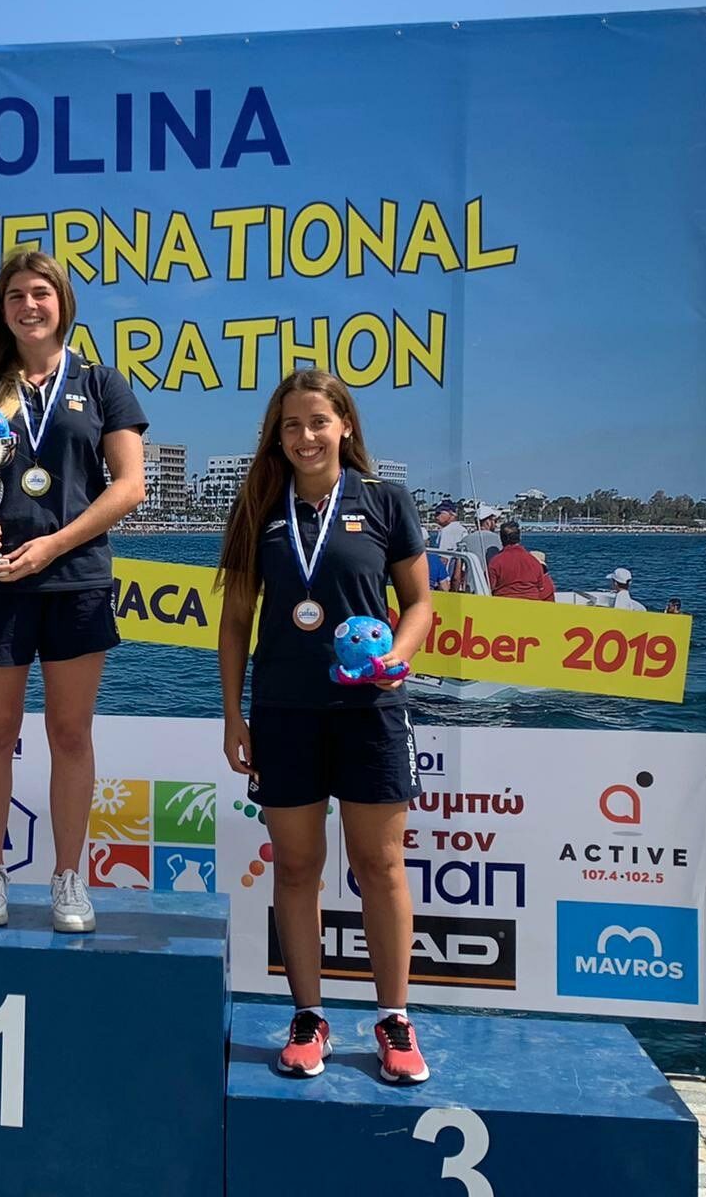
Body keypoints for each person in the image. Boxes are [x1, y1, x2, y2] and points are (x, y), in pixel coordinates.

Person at [217, 368, 433, 1085]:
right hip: (284, 713)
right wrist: (233, 714)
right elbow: (236, 622)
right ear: (276, 437)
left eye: (317, 421)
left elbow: (420, 604)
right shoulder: (258, 506)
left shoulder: (385, 500)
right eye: (291, 425)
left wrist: (397, 658)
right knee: (297, 867)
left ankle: (394, 1020)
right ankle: (308, 1017)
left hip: (371, 711)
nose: (305, 436)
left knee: (381, 866)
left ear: (345, 425)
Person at [0, 250, 147, 933]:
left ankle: (68, 877)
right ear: (1, 310)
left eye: (41, 293)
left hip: (76, 580)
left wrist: (54, 544)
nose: (29, 305)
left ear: (62, 303)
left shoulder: (102, 383)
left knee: (70, 733)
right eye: (15, 295)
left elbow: (130, 486)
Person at [487, 520, 554, 600]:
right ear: (519, 538)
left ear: (501, 539)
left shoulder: (495, 562)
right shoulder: (534, 562)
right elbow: (541, 587)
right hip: (531, 604)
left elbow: (490, 587)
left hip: (505, 603)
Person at [462, 505, 503, 571]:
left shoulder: (465, 540)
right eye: (495, 521)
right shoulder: (498, 538)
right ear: (487, 522)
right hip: (490, 577)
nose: (495, 524)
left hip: (471, 577)